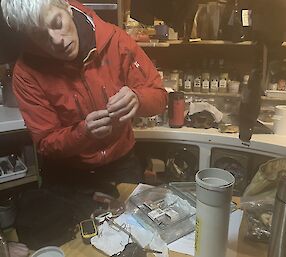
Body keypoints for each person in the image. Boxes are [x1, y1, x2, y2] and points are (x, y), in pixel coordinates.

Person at [1, 0, 167, 195]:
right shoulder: (26, 73)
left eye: (57, 23)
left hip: (122, 164)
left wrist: (138, 99)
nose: (57, 40)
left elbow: (160, 98)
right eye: (40, 35)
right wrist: (83, 133)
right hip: (67, 175)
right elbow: (46, 144)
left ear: (66, 7)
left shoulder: (116, 40)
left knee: (134, 223)